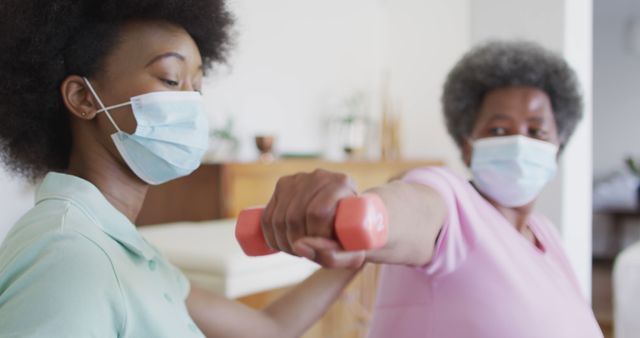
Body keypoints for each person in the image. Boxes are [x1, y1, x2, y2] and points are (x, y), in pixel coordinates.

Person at [0, 1, 361, 337]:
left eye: (197, 87)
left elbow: (269, 328)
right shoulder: (68, 257)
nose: (189, 103)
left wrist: (355, 254)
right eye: (171, 79)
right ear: (83, 98)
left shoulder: (126, 248)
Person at [261, 41, 605, 338]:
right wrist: (355, 212)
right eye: (499, 130)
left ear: (558, 145)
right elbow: (410, 210)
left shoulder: (546, 235)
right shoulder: (452, 204)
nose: (519, 142)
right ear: (468, 145)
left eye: (537, 131)